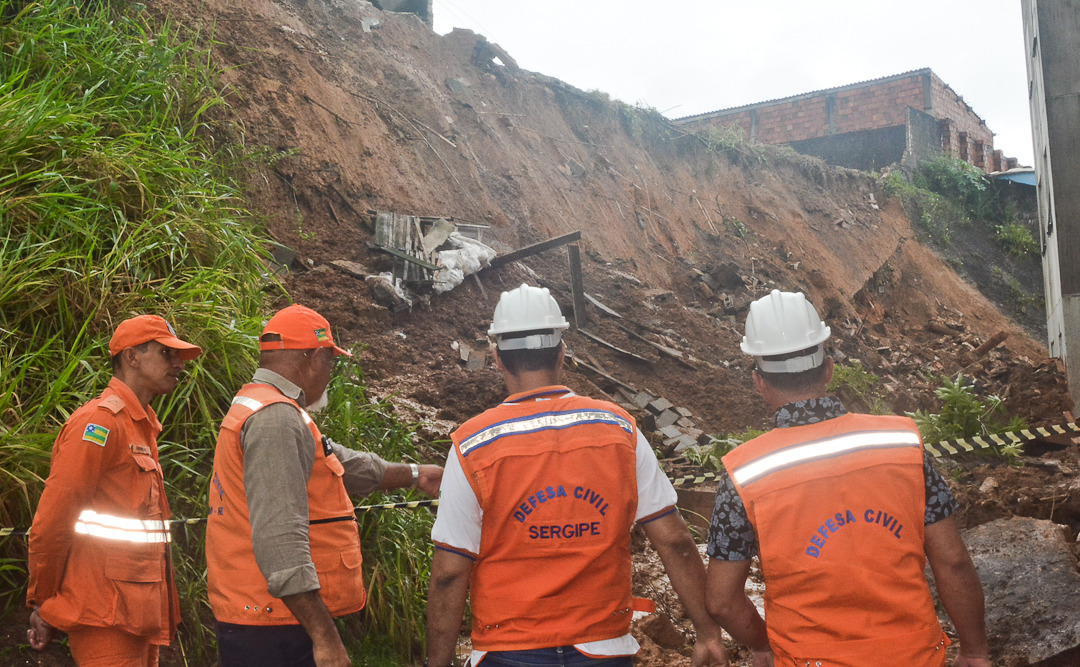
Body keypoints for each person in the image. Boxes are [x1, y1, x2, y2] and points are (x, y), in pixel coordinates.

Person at [426, 284, 728, 667]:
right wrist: (708, 633)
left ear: (498, 359)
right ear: (562, 354)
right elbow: (675, 541)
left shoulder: (472, 445)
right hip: (604, 648)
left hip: (508, 650)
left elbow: (449, 573)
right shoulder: (620, 429)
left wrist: (437, 662)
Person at [705, 289, 991, 667]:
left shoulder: (744, 473)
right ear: (829, 369)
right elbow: (952, 561)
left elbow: (721, 601)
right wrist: (974, 651)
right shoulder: (902, 443)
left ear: (759, 381)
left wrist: (763, 645)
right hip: (914, 657)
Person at [205, 303, 443, 667]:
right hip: (274, 627)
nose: (330, 373)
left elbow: (340, 463)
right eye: (331, 362)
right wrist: (325, 638)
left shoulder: (265, 405)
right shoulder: (276, 420)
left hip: (267, 617)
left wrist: (416, 474)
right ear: (315, 358)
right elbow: (280, 540)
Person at [26, 315, 203, 666]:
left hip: (137, 613)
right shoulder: (100, 423)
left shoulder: (141, 426)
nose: (178, 364)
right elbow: (53, 521)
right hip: (103, 615)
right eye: (166, 353)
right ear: (131, 357)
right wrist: (43, 602)